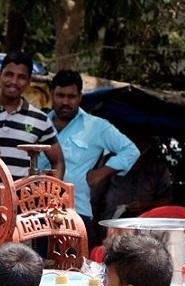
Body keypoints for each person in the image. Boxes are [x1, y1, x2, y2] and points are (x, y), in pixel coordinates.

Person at [38, 69, 139, 249]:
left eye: (71, 96)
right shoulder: (38, 123)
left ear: (80, 98)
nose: (65, 102)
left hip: (76, 214)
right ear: (51, 95)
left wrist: (101, 173)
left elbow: (130, 150)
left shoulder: (97, 126)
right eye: (60, 95)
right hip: (35, 215)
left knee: (73, 274)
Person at [0, 51, 65, 180]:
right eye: (9, 75)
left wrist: (52, 197)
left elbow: (58, 162)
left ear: (29, 82)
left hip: (19, 198)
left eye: (21, 77)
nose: (14, 81)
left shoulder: (40, 120)